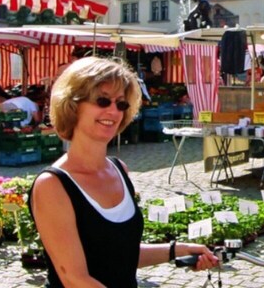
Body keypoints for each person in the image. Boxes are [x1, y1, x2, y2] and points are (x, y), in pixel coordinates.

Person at [30, 58, 219, 287]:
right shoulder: (53, 185)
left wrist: (177, 250)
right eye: (102, 101)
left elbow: (119, 255)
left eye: (121, 104)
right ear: (73, 104)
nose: (113, 111)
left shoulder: (119, 170)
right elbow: (74, 278)